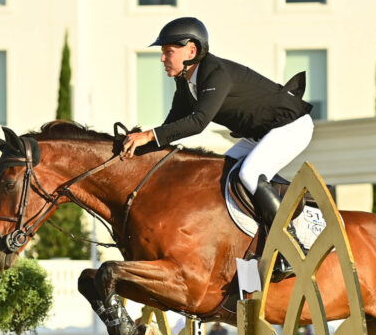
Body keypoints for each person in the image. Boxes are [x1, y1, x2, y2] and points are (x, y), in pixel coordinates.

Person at [121, 17, 315, 278]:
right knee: (220, 177)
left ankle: (293, 249)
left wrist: (149, 136)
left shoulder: (215, 73)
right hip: (261, 134)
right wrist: (139, 147)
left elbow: (198, 122)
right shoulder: (185, 80)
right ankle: (248, 243)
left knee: (248, 174)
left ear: (191, 50)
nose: (162, 59)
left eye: (168, 52)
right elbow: (173, 125)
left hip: (291, 126)